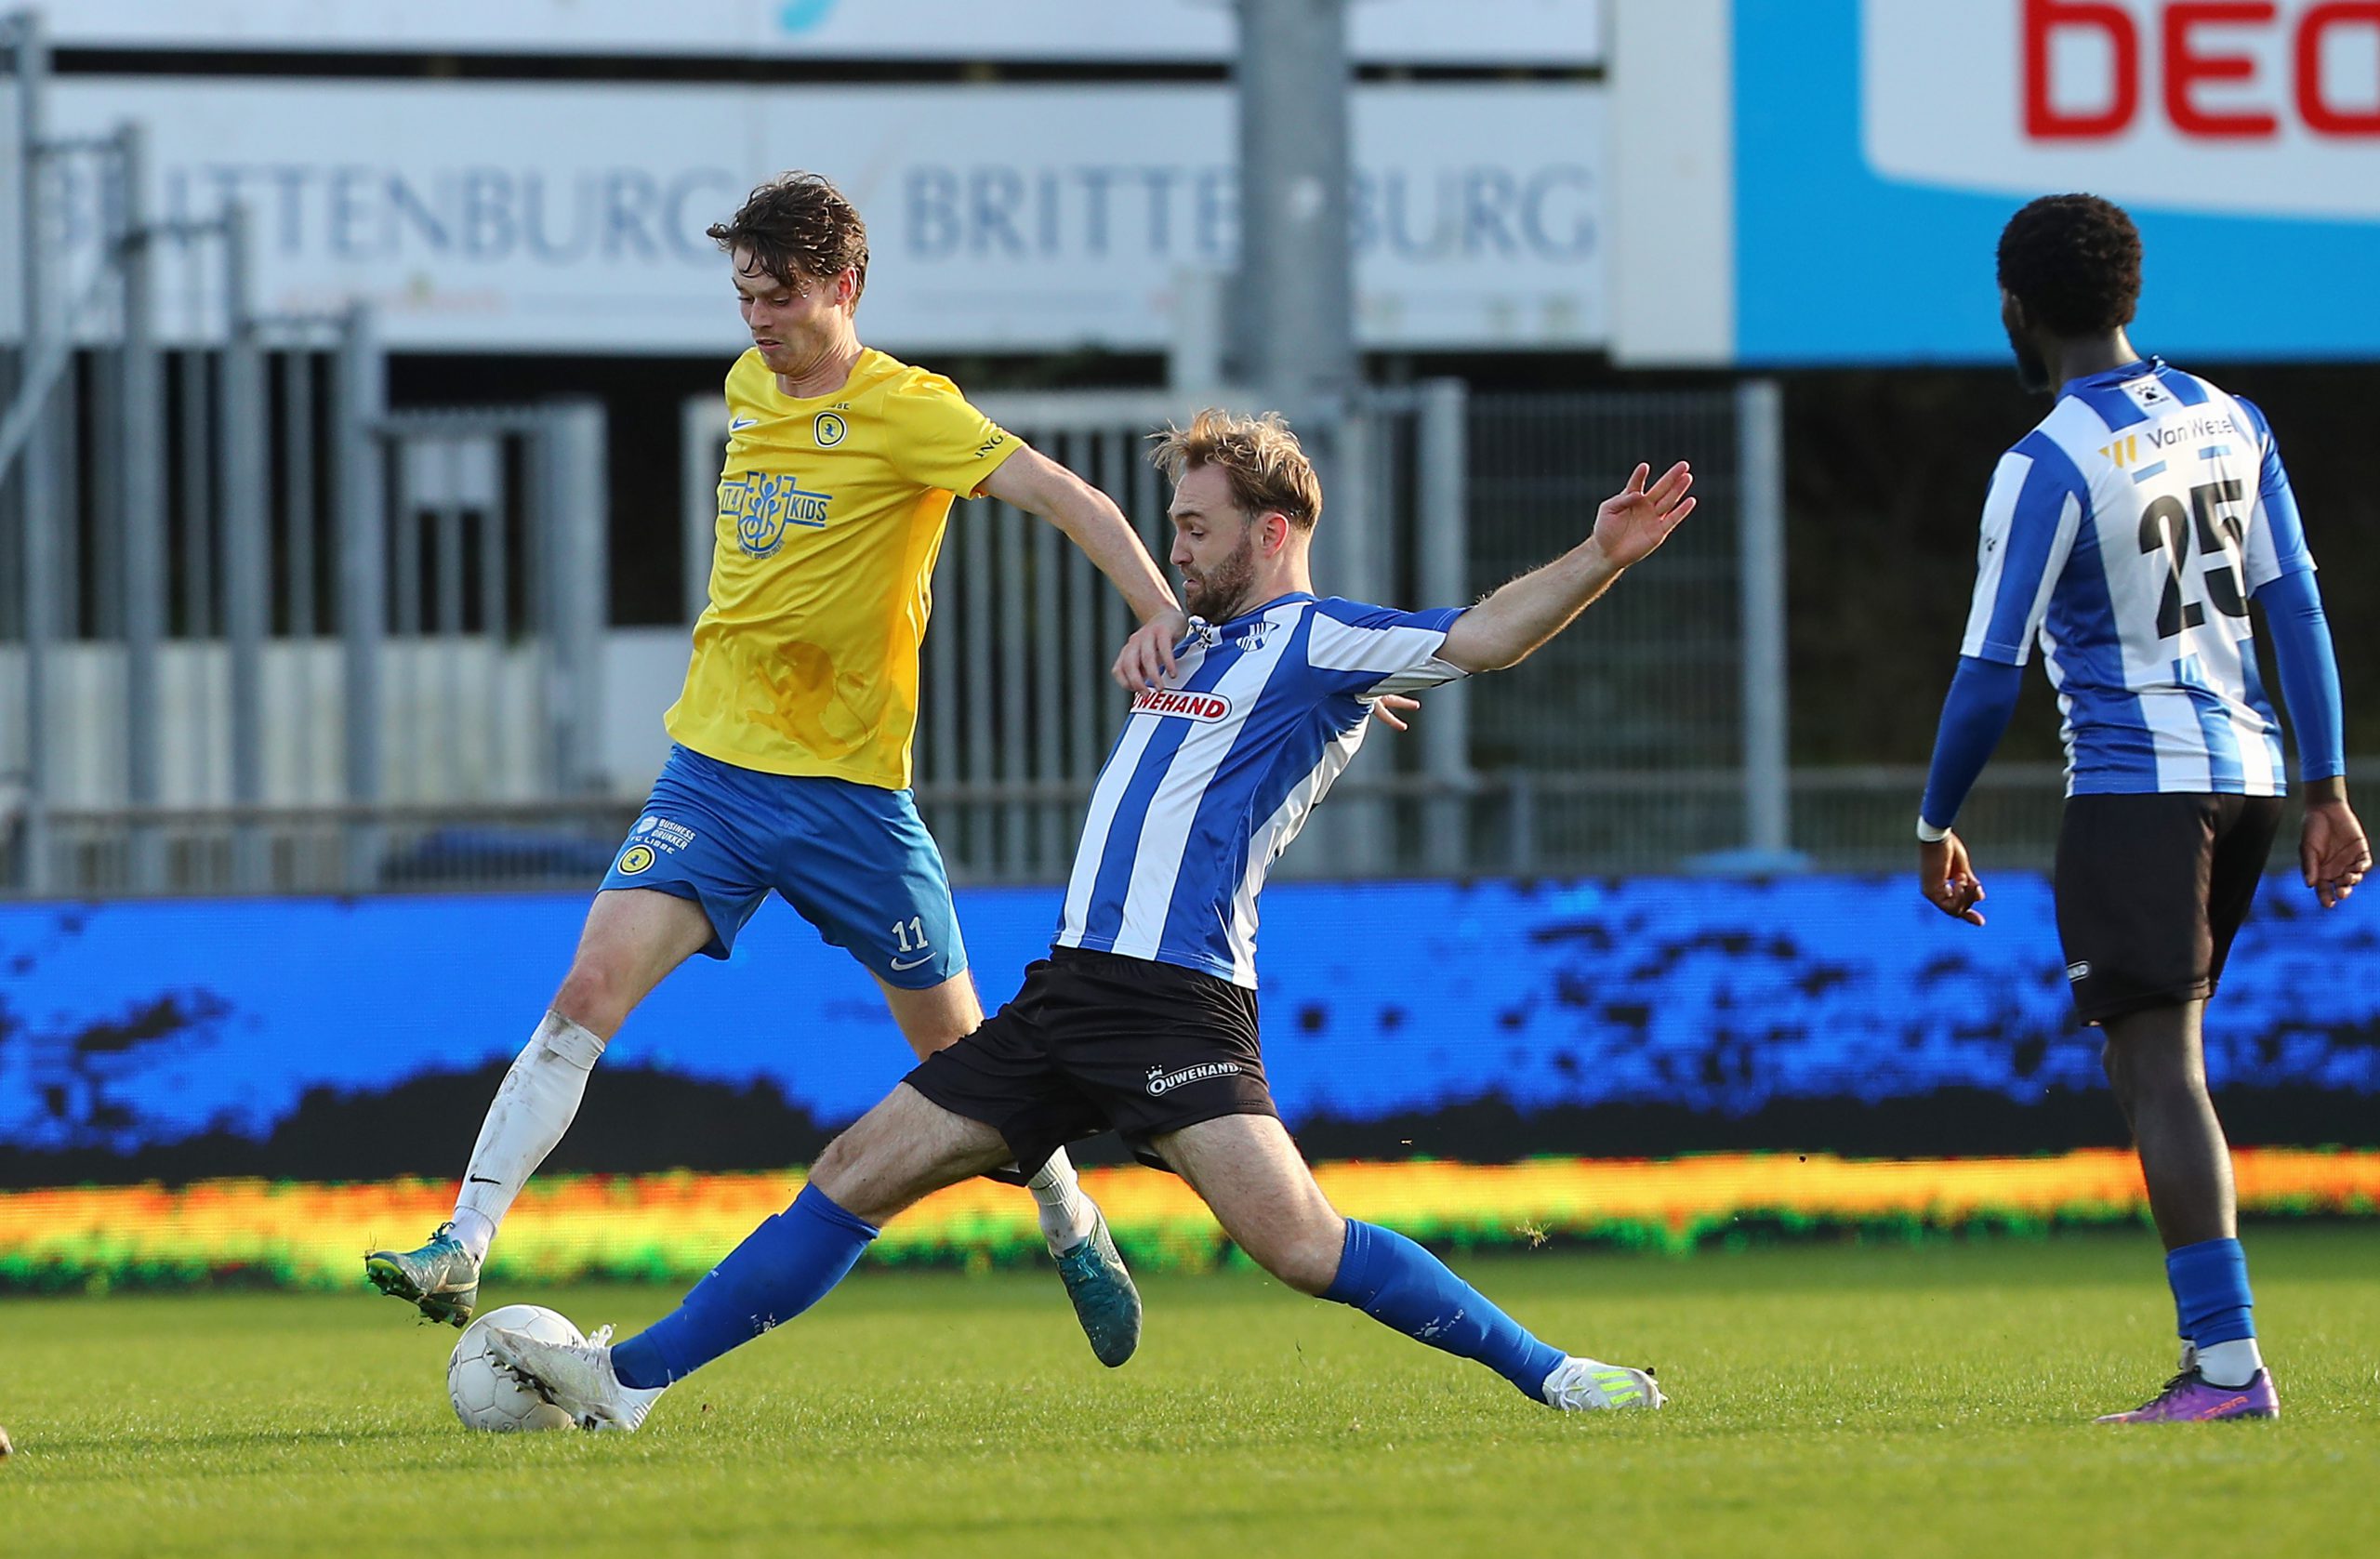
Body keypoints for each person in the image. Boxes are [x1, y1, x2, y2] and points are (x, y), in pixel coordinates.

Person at [481, 409, 1696, 1432]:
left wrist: (1601, 554)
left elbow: (1480, 639)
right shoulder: (1201, 638)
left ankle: (1554, 1373)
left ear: (1273, 532)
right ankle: (629, 1382)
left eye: (1196, 525)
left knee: (1300, 1241)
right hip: (1065, 996)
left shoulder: (1320, 637)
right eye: (1172, 524)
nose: (1175, 545)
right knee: (852, 1170)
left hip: (1174, 1000)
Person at [364, 171, 1194, 1366]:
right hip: (711, 773)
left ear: (845, 285)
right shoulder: (750, 385)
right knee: (588, 989)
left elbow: (1068, 498)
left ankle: (1068, 1214)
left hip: (851, 799)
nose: (760, 319)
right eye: (746, 293)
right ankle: (465, 1237)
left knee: (962, 1063)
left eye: (784, 294)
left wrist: (1159, 611)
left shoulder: (914, 411)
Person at [1915, 193, 2369, 1423]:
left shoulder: (2048, 459)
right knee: (2149, 1053)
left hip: (2138, 783)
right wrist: (2328, 786)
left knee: (2159, 1063)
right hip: (2257, 778)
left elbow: (1987, 670)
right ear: (2131, 292)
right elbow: (2297, 613)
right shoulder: (2234, 418)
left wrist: (1932, 816)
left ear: (2014, 306)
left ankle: (2226, 1367)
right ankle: (2219, 1357)